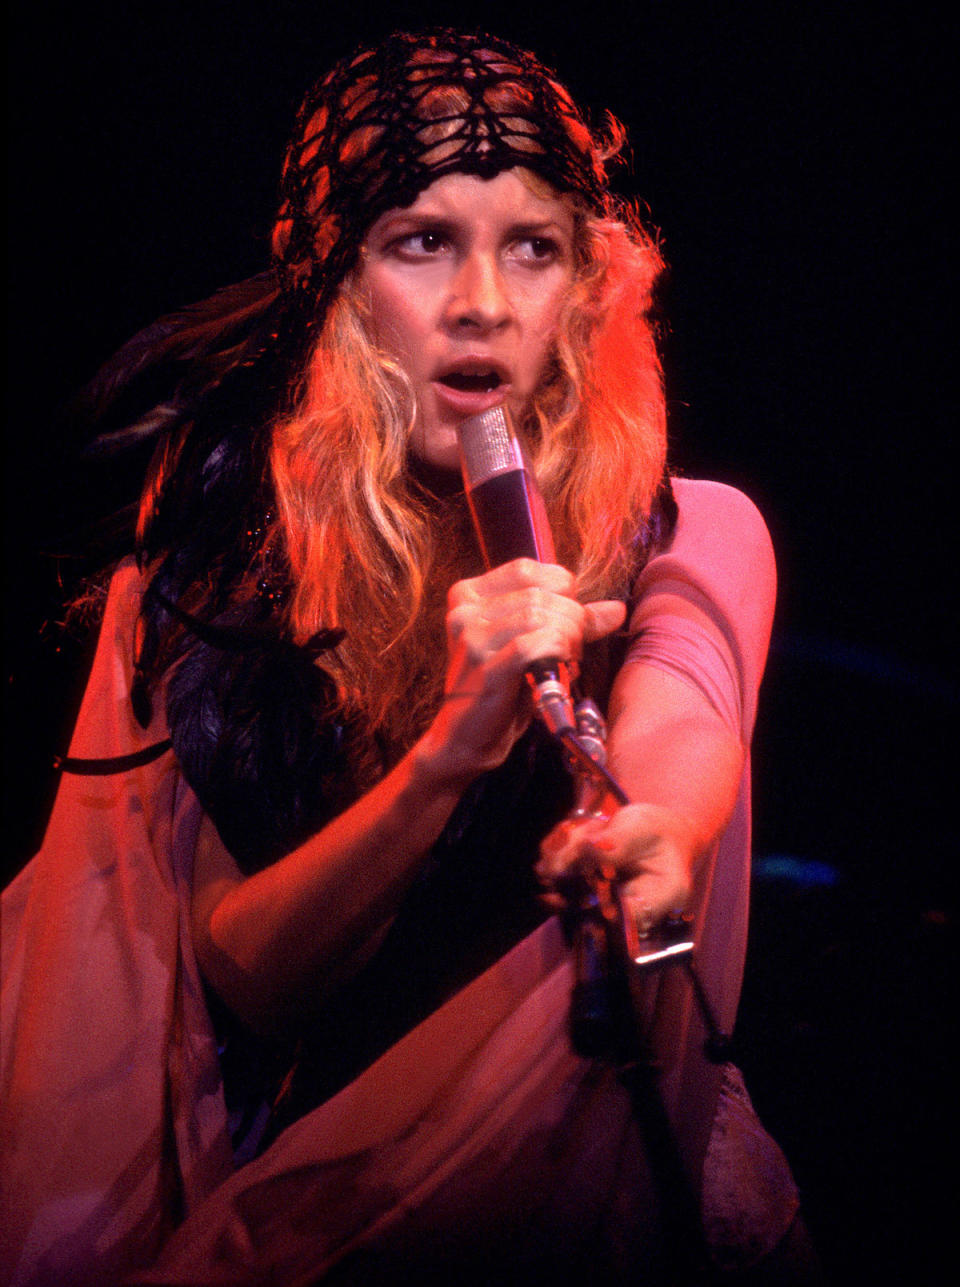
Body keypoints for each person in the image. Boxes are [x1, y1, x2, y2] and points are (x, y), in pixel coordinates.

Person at [0, 29, 814, 1287]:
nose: (483, 299)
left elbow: (683, 718)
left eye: (532, 247)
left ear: (587, 290)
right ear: (338, 287)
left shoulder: (688, 528)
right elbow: (244, 976)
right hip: (295, 1222)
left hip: (585, 1207)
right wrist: (447, 753)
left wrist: (662, 831)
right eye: (423, 241)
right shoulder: (227, 571)